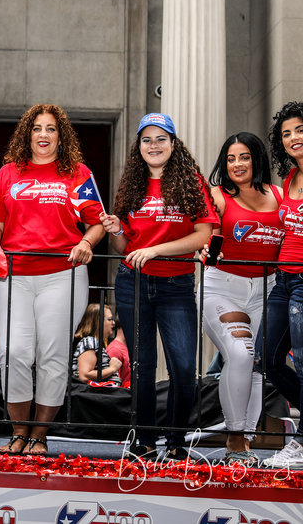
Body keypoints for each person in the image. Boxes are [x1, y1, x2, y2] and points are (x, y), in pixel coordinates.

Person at [0, 104, 106, 456]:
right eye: (37, 128)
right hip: (14, 276)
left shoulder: (78, 173)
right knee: (13, 352)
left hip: (62, 277)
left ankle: (39, 434)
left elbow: (96, 221)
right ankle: (18, 431)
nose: (43, 135)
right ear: (27, 134)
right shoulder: (8, 174)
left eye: (51, 129)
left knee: (51, 356)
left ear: (60, 136)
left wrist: (86, 242)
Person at [99, 113, 217, 461]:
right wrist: (117, 229)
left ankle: (177, 441)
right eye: (146, 139)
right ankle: (145, 440)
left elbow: (203, 235)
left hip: (176, 285)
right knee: (143, 366)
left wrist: (154, 249)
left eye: (161, 138)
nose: (154, 145)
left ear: (173, 143)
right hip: (132, 283)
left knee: (183, 367)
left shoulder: (191, 182)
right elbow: (123, 249)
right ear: (138, 146)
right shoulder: (131, 186)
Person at [201, 132, 283, 467]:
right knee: (239, 352)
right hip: (224, 285)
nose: (237, 164)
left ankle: (244, 444)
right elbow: (203, 233)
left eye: (245, 157)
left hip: (268, 288)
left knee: (256, 364)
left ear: (257, 160)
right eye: (231, 158)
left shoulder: (279, 195)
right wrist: (206, 243)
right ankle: (234, 437)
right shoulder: (217, 196)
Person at [262, 102, 303, 470]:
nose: (293, 138)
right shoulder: (288, 180)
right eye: (286, 133)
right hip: (283, 279)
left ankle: (301, 443)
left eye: (300, 130)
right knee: (267, 357)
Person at [71, 303, 123, 385]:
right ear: (99, 322)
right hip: (93, 396)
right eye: (109, 319)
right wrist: (112, 368)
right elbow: (84, 375)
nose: (113, 323)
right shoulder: (90, 341)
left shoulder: (94, 342)